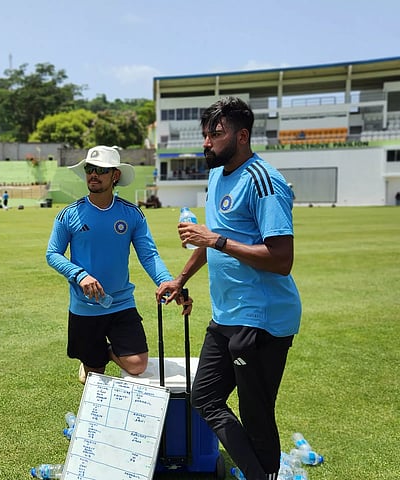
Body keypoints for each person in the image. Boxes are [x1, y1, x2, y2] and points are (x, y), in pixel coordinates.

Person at [156, 97, 302, 480]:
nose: (207, 142)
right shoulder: (218, 173)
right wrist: (180, 279)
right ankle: (260, 472)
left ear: (242, 135)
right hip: (227, 315)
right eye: (205, 135)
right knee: (203, 397)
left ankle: (262, 473)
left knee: (256, 413)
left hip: (263, 318)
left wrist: (216, 239)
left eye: (215, 134)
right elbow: (211, 240)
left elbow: (281, 257)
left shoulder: (263, 181)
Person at [46, 145, 177, 385]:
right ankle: (93, 359)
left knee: (137, 364)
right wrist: (79, 275)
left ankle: (103, 351)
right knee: (94, 377)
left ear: (115, 176)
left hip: (121, 303)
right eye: (89, 169)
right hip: (85, 307)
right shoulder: (69, 214)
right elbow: (52, 254)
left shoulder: (132, 214)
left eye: (101, 170)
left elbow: (149, 255)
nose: (93, 174)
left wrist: (165, 280)